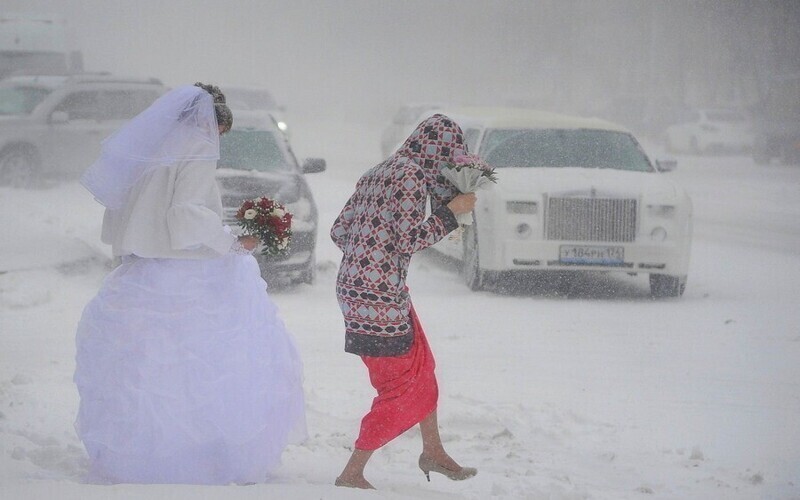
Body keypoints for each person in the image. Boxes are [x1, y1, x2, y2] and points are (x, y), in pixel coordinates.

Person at [74, 83, 306, 485]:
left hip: (143, 271)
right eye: (219, 133)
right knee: (207, 368)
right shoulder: (197, 146)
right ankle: (204, 460)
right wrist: (232, 240)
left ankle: (142, 459)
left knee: (151, 372)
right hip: (188, 271)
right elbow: (185, 212)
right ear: (211, 123)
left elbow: (130, 208)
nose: (217, 141)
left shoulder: (152, 147)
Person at [330, 114, 478, 489]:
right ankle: (352, 472)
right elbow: (409, 239)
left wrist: (370, 253)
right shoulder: (411, 176)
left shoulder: (378, 171)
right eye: (449, 152)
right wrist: (451, 214)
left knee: (421, 367)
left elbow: (339, 230)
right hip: (380, 297)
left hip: (358, 288)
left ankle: (433, 450)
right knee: (403, 388)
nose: (448, 161)